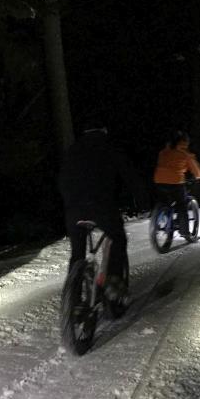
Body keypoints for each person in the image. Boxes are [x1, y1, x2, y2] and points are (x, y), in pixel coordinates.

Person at [58, 125, 148, 304]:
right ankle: (113, 283)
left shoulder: (72, 149)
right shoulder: (109, 146)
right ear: (104, 130)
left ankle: (72, 301)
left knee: (77, 254)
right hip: (101, 207)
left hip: (73, 209)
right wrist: (143, 201)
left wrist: (70, 203)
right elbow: (130, 175)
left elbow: (61, 179)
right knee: (118, 237)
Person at [152, 130, 200, 239]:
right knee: (182, 205)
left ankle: (162, 217)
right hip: (176, 183)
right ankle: (184, 232)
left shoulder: (163, 152)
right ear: (185, 142)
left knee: (165, 201)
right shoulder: (185, 154)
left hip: (159, 181)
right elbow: (195, 169)